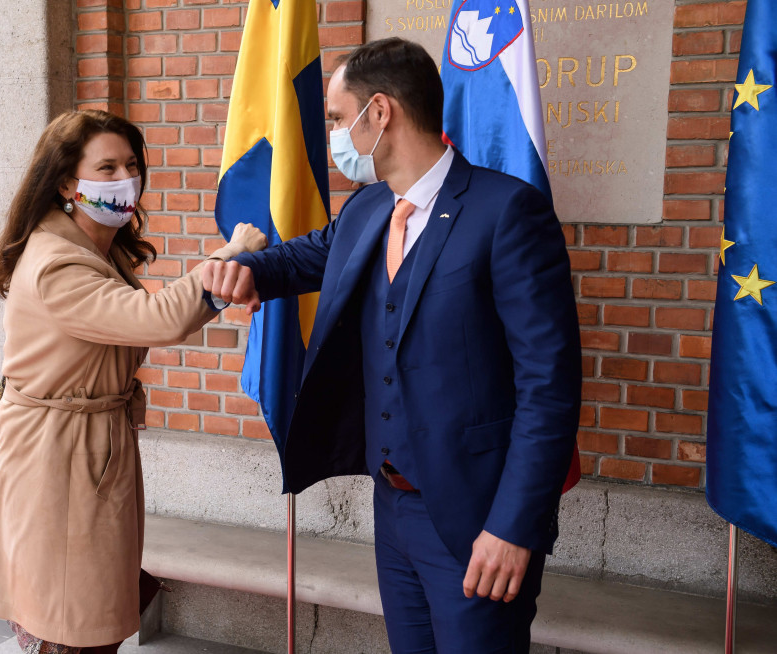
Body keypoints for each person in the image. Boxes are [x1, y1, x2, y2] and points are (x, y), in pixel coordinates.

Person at [203, 38, 581, 653]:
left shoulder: (508, 211)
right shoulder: (370, 207)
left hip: (477, 518)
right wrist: (246, 271)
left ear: (379, 113)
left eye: (335, 117)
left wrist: (513, 527)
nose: (332, 132)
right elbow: (309, 256)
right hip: (393, 509)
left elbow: (550, 387)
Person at [0, 109, 266, 654]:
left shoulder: (91, 247)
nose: (123, 179)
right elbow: (155, 319)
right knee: (68, 620)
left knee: (85, 606)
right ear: (66, 182)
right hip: (58, 456)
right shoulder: (58, 262)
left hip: (85, 446)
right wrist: (224, 261)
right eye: (105, 168)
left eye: (131, 165)